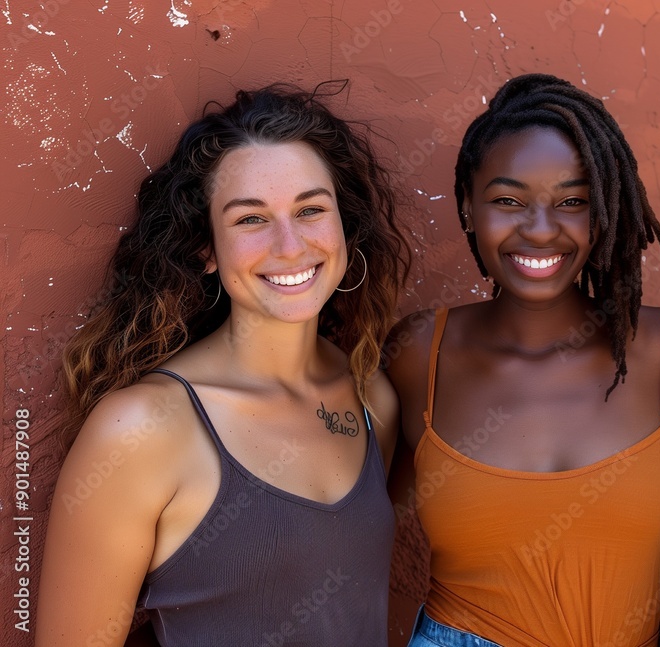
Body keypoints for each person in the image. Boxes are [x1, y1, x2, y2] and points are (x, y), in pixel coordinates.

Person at [38, 85, 408, 646]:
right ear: (205, 249)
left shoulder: (368, 397)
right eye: (250, 219)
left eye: (311, 210)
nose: (290, 245)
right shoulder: (140, 431)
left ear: (344, 227)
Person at [385, 73, 660, 647]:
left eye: (572, 202)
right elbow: (355, 526)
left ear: (604, 212)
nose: (540, 230)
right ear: (468, 206)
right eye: (508, 201)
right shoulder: (420, 354)